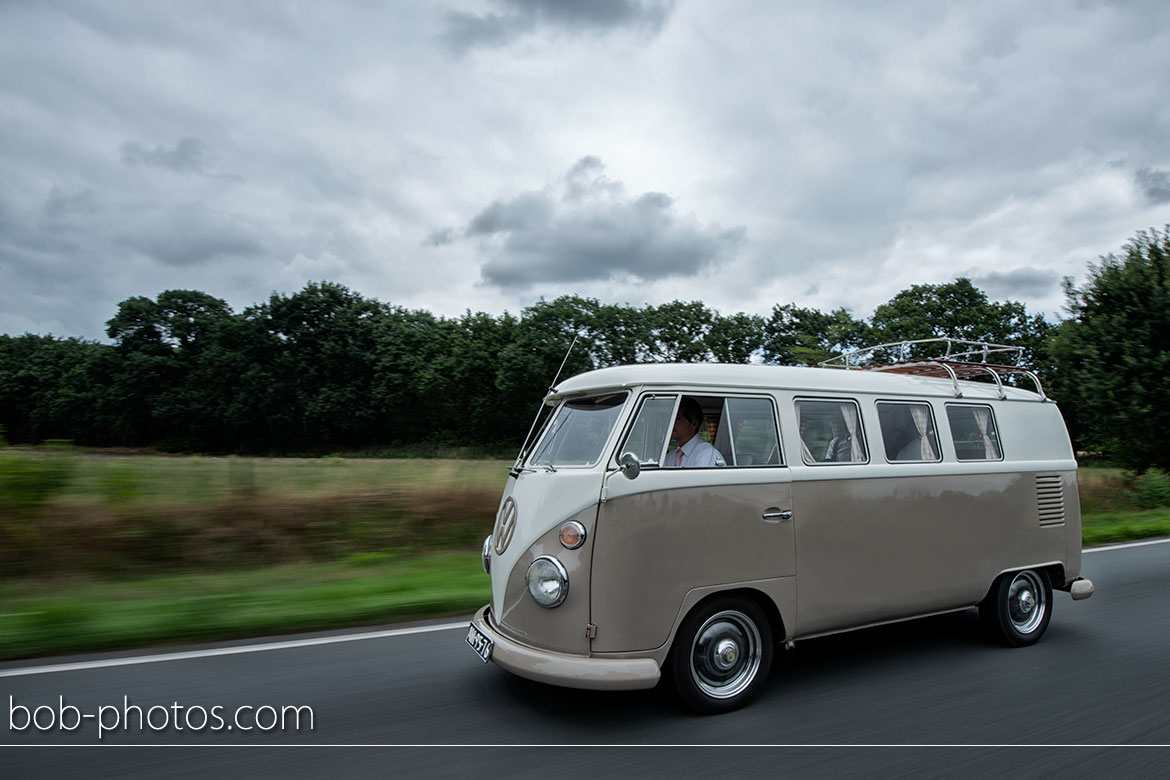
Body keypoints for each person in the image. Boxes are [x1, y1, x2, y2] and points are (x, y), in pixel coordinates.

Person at [666, 397, 725, 467]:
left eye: (677, 419)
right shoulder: (670, 457)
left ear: (694, 424)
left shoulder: (707, 454)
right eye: (671, 418)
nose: (671, 423)